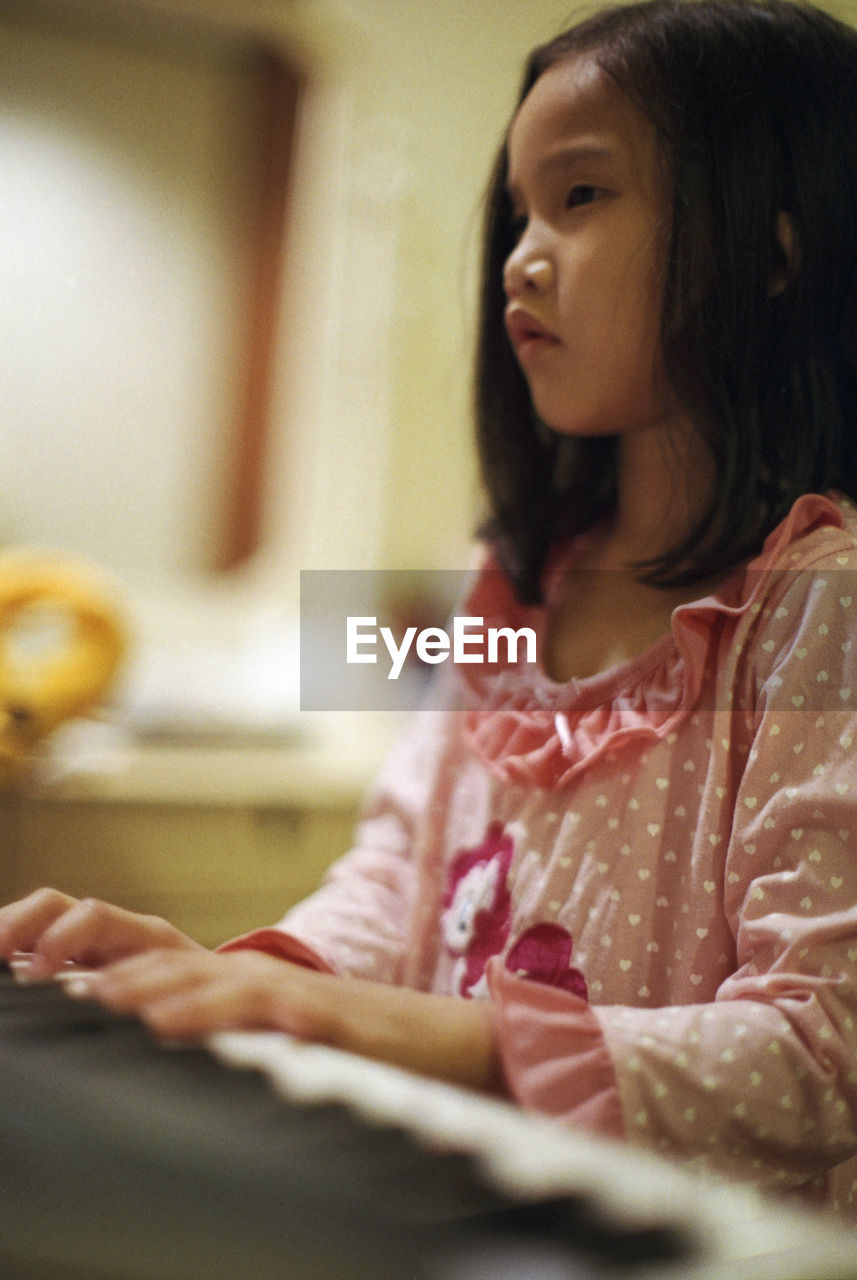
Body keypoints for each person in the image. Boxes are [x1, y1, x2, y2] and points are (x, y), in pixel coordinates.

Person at [4, 0, 857, 1223]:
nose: (519, 254)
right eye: (516, 208)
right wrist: (251, 975)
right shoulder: (509, 581)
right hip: (474, 1197)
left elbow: (818, 1049)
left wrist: (405, 1030)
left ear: (771, 255)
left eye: (581, 196)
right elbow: (398, 870)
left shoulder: (813, 603)